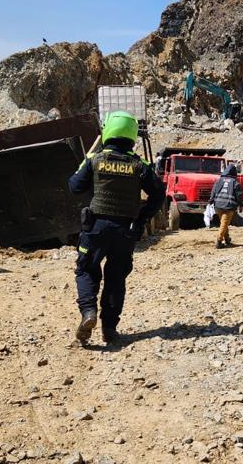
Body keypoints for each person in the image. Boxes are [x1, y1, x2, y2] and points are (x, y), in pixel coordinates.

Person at [68, 111, 164, 344]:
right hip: (126, 230)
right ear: (132, 135)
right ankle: (109, 329)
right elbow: (159, 195)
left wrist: (86, 161)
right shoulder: (139, 165)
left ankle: (88, 312)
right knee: (116, 277)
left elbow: (74, 187)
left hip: (96, 227)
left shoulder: (96, 159)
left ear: (108, 130)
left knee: (87, 269)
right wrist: (141, 219)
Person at [208, 164, 243, 249]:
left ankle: (227, 239)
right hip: (229, 206)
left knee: (224, 223)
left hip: (218, 206)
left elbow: (213, 191)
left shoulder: (219, 181)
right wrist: (241, 205)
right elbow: (239, 195)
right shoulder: (235, 182)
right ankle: (219, 241)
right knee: (224, 224)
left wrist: (211, 201)